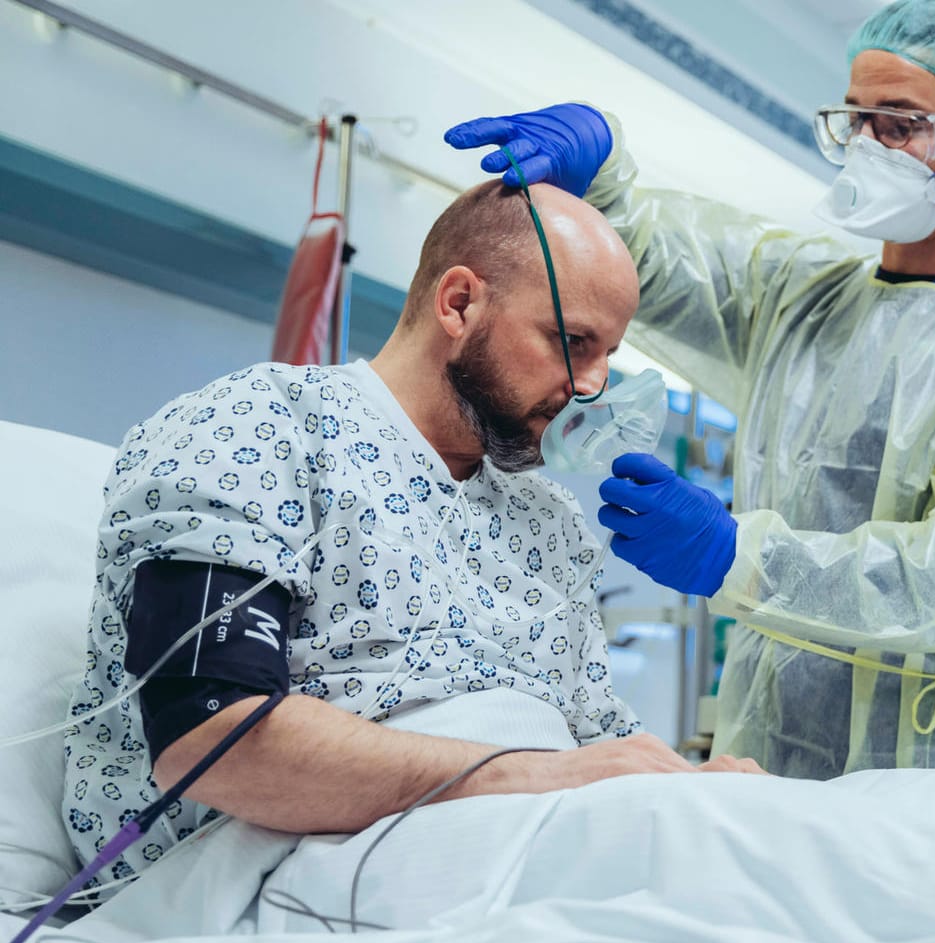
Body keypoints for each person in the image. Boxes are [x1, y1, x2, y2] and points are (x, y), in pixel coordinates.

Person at [444, 0, 935, 794]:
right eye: (856, 120)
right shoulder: (807, 299)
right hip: (763, 756)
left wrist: (740, 556)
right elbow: (655, 264)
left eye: (900, 124)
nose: (869, 146)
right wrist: (604, 187)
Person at [62, 180, 762, 887]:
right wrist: (538, 779)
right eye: (572, 342)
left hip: (517, 841)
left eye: (608, 354)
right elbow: (211, 738)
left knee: (774, 841)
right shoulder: (259, 427)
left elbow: (598, 751)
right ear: (459, 303)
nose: (591, 386)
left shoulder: (548, 523)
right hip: (269, 866)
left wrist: (687, 783)